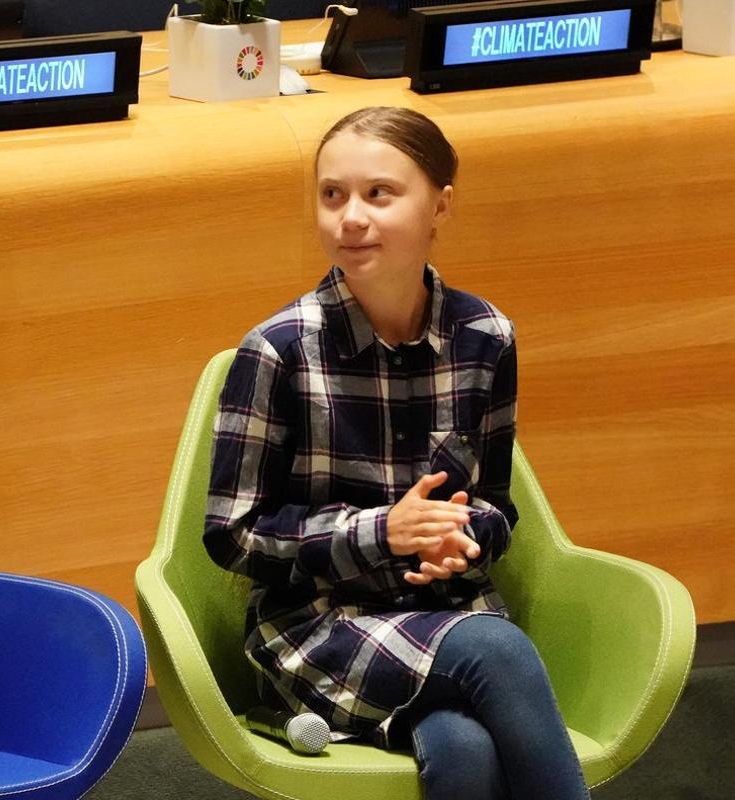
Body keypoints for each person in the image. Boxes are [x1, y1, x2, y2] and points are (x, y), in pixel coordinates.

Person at [204, 106, 589, 800]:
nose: (350, 217)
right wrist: (380, 534)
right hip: (318, 627)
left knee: (463, 751)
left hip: (445, 610)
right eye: (332, 195)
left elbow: (496, 505)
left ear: (440, 205)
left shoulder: (486, 335)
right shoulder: (278, 351)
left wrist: (460, 540)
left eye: (379, 193)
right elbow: (231, 536)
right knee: (495, 648)